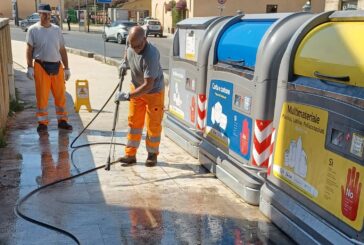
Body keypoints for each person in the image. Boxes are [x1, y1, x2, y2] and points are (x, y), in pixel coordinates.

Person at [115, 26, 165, 167]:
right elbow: (127, 53)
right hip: (137, 87)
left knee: (153, 125)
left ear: (145, 39)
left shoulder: (151, 55)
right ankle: (130, 155)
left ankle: (152, 155)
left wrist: (128, 96)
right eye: (133, 45)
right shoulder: (131, 44)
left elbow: (148, 85)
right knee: (134, 123)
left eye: (138, 46)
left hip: (153, 92)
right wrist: (124, 63)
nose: (135, 49)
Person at [26, 3, 73, 133]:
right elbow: (29, 50)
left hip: (57, 66)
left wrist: (67, 68)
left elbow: (62, 50)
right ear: (39, 14)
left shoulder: (57, 29)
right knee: (42, 96)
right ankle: (42, 123)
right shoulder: (33, 30)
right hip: (41, 66)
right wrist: (29, 67)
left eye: (48, 14)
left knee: (60, 96)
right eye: (44, 14)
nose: (46, 16)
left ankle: (62, 121)